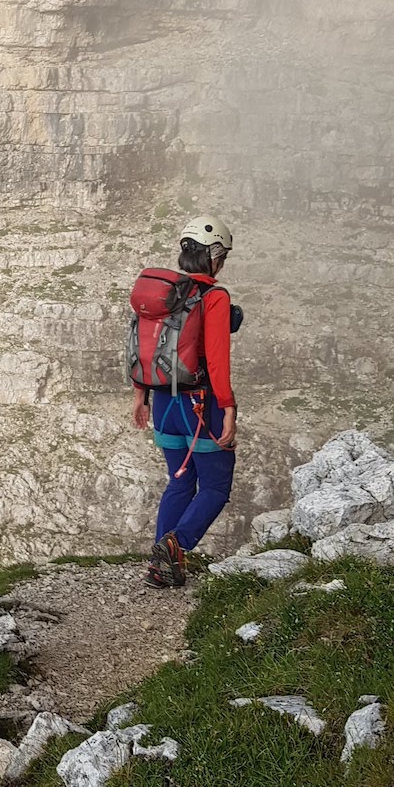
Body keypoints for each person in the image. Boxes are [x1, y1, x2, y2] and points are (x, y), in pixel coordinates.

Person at [132, 216, 237, 588]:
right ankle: (176, 547)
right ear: (215, 256)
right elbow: (217, 358)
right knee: (214, 486)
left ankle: (160, 566)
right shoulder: (214, 297)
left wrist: (140, 396)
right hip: (199, 406)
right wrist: (228, 410)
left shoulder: (166, 295)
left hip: (163, 403)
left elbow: (143, 345)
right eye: (222, 257)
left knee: (179, 483)